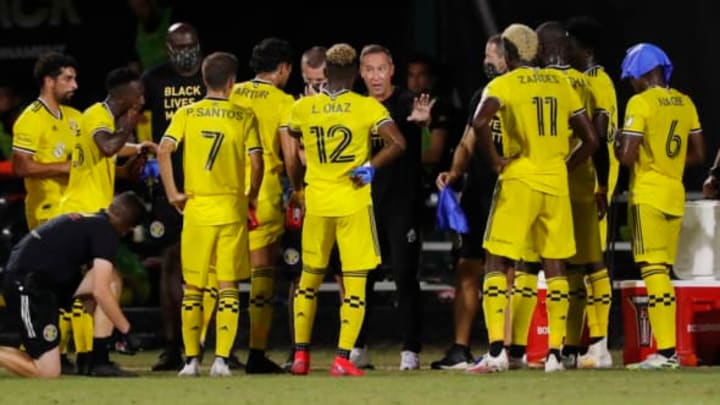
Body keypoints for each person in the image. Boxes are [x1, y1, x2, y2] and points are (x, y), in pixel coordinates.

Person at [456, 23, 598, 373]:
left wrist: (495, 161)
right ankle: (554, 355)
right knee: (554, 266)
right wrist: (564, 165)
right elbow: (592, 140)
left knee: (496, 261)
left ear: (507, 54)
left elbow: (480, 121)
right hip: (555, 183)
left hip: (519, 181)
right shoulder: (561, 84)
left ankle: (495, 353)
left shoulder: (502, 84)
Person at [286, 43, 406, 377]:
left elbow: (293, 147)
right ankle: (342, 359)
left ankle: (300, 356)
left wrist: (297, 187)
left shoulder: (305, 108)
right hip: (352, 203)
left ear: (325, 73)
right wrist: (370, 166)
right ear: (356, 74)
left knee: (308, 282)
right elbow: (398, 143)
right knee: (354, 284)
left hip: (317, 203)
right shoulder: (366, 107)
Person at [157, 51, 264, 377]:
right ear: (232, 82)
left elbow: (164, 149)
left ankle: (191, 361)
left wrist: (173, 193)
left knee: (193, 287)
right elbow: (257, 163)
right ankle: (221, 359)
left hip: (197, 208)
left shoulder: (187, 112)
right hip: (231, 207)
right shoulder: (244, 116)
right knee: (228, 284)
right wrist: (251, 197)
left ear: (204, 80)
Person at [617, 43, 705, 369]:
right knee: (663, 273)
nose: (630, 83)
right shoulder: (685, 102)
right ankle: (668, 350)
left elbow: (626, 156)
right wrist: (673, 165)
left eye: (631, 77)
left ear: (642, 73)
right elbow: (698, 154)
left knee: (653, 271)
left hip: (649, 193)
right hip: (675, 193)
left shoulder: (640, 103)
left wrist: (618, 143)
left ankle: (666, 353)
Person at [59, 66, 150, 376]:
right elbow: (109, 146)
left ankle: (89, 358)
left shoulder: (101, 119)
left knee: (90, 293)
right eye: (137, 94)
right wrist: (130, 125)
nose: (141, 99)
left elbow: (109, 156)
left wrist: (135, 153)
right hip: (84, 214)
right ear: (123, 96)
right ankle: (94, 359)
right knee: (107, 285)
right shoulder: (99, 117)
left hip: (84, 212)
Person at [529, 20, 609, 369]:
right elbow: (599, 138)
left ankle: (523, 350)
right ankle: (584, 348)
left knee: (556, 266)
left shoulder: (540, 84)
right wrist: (599, 183)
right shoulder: (585, 83)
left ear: (543, 50)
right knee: (586, 266)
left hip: (553, 185)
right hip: (582, 183)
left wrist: (561, 167)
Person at [0, 191, 146, 378]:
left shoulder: (94, 222)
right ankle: (98, 359)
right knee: (48, 371)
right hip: (28, 286)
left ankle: (99, 361)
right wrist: (127, 330)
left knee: (110, 279)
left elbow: (96, 292)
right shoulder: (106, 232)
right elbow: (100, 291)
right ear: (128, 227)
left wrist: (112, 331)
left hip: (40, 280)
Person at [140, 22, 214, 372]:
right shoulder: (153, 79)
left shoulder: (210, 76)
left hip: (209, 183)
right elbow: (132, 115)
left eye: (192, 44)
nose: (187, 50)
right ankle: (173, 345)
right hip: (168, 186)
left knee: (214, 266)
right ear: (168, 48)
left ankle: (209, 344)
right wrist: (143, 156)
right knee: (171, 262)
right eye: (179, 45)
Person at [354, 44, 433, 370]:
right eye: (369, 70)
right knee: (362, 279)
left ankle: (410, 350)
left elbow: (424, 147)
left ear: (391, 71)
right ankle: (357, 346)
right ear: (361, 73)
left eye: (380, 69)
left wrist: (423, 125)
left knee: (404, 276)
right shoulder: (354, 107)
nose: (375, 76)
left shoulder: (406, 103)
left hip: (402, 205)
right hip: (364, 206)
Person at [432, 34, 506, 370]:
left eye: (491, 56)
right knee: (468, 268)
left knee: (508, 272)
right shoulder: (482, 95)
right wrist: (454, 172)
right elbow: (467, 140)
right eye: (485, 55)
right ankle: (460, 348)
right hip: (479, 195)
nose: (486, 62)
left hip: (512, 195)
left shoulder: (522, 92)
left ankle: (505, 347)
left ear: (509, 58)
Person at [10, 53, 82, 374]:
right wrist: (64, 167)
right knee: (55, 284)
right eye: (68, 78)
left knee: (69, 284)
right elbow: (20, 165)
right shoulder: (30, 118)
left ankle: (63, 352)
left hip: (75, 212)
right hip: (46, 213)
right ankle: (41, 348)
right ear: (49, 81)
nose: (75, 85)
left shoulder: (74, 118)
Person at [229, 37, 297, 374]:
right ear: (283, 69)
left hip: (225, 193)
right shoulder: (283, 101)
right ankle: (256, 353)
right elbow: (288, 153)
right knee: (261, 279)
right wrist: (297, 188)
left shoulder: (232, 91)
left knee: (221, 276)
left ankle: (214, 354)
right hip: (263, 196)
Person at [566, 15, 618, 368]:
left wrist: (600, 185)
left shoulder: (596, 82)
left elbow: (597, 137)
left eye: (569, 42)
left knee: (591, 262)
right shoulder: (596, 79)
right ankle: (576, 344)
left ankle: (599, 345)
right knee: (577, 265)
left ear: (584, 48)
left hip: (593, 182)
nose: (563, 48)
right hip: (586, 180)